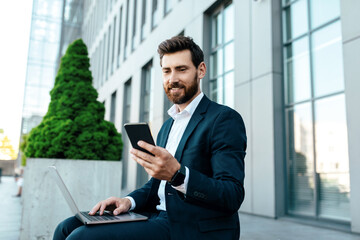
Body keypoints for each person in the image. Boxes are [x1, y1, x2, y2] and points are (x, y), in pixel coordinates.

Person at [53, 36, 246, 240]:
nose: (172, 79)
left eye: (181, 69)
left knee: (81, 237)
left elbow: (231, 195)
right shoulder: (167, 126)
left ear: (201, 70)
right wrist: (128, 201)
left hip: (190, 226)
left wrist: (178, 175)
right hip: (155, 216)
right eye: (166, 71)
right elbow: (155, 186)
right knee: (66, 228)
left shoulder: (223, 119)